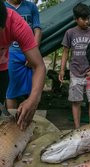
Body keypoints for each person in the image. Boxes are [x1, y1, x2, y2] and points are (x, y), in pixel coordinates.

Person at [0, 0, 46, 130]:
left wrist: (33, 100)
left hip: (2, 67)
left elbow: (39, 66)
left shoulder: (16, 23)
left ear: (4, 26)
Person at [58, 3, 90, 128]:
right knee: (76, 101)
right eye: (83, 19)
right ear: (76, 19)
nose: (87, 21)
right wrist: (62, 70)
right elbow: (65, 52)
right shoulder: (70, 33)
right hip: (75, 72)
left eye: (88, 18)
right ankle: (77, 128)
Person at [5, 0, 42, 109]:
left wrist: (33, 52)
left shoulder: (31, 7)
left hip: (29, 50)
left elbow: (38, 30)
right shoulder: (3, 7)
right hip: (11, 52)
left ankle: (27, 119)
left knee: (33, 89)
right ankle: (11, 121)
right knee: (11, 91)